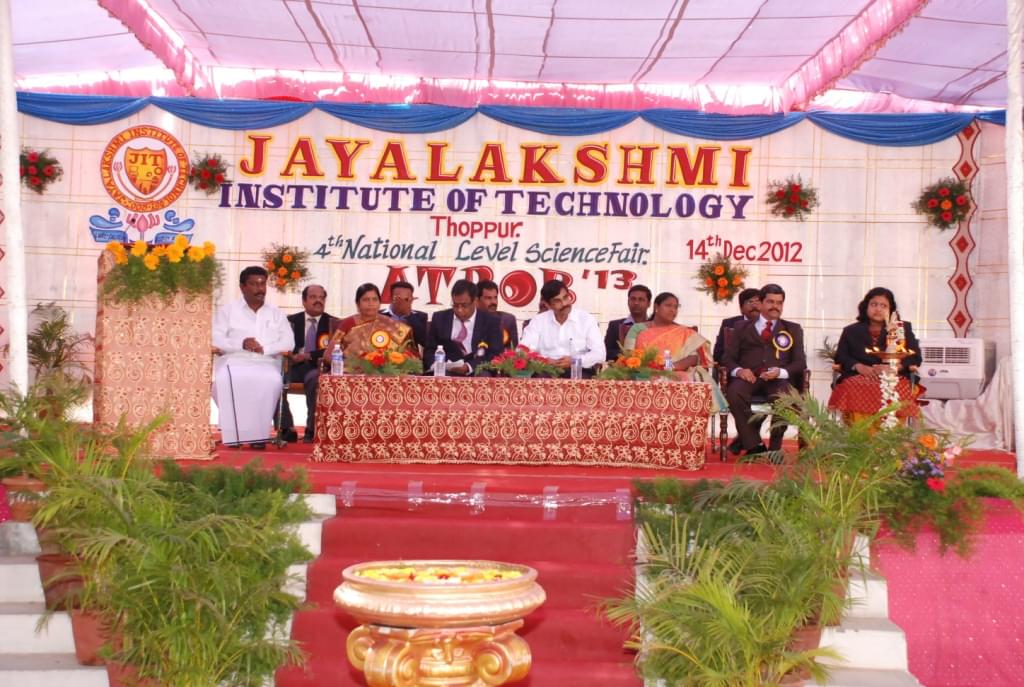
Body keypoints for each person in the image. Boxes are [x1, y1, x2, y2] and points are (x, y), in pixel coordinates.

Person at [212, 266, 293, 448]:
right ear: (242, 287)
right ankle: (236, 434)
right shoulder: (227, 311)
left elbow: (288, 342)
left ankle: (258, 436)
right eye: (254, 284)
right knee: (223, 381)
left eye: (262, 284)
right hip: (234, 361)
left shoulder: (276, 313)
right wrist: (240, 344)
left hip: (265, 363)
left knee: (271, 381)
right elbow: (215, 338)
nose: (260, 288)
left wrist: (265, 348)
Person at [722, 283, 806, 455]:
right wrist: (739, 371)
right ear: (760, 303)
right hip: (749, 377)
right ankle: (755, 446)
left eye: (779, 302)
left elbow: (800, 362)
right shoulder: (741, 327)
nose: (775, 306)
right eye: (770, 302)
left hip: (778, 379)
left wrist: (780, 372)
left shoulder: (793, 329)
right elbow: (727, 358)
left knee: (787, 398)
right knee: (734, 393)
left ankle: (775, 448)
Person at [828, 287, 922, 421]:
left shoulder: (902, 328)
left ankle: (892, 435)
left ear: (891, 310)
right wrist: (858, 366)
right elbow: (841, 356)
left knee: (898, 388)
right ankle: (857, 435)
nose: (878, 309)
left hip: (893, 377)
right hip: (859, 375)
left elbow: (916, 357)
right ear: (866, 307)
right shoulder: (851, 331)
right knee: (851, 386)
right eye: (874, 304)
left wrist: (896, 367)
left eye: (883, 305)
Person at [623, 292, 725, 410]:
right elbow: (629, 354)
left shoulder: (683, 331)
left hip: (676, 372)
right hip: (643, 372)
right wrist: (650, 367)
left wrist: (671, 366)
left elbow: (694, 357)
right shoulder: (638, 329)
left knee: (682, 379)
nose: (673, 310)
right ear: (656, 307)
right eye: (668, 305)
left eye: (675, 307)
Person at [279, 284, 332, 443]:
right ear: (303, 301)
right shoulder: (289, 321)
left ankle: (312, 428)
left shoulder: (333, 323)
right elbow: (280, 343)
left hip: (317, 367)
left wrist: (308, 355)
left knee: (316, 380)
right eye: (313, 297)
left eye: (321, 298)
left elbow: (334, 349)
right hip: (292, 366)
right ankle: (286, 427)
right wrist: (291, 354)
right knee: (273, 380)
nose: (318, 301)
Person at [520, 280, 604, 377]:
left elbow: (600, 354)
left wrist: (574, 360)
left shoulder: (586, 319)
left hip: (577, 370)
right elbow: (522, 351)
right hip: (546, 371)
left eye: (565, 297)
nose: (564, 303)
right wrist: (544, 360)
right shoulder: (538, 321)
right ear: (548, 305)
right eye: (557, 301)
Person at [323, 283, 418, 366]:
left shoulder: (390, 324)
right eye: (366, 300)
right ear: (357, 303)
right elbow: (328, 355)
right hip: (352, 375)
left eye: (374, 299)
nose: (371, 303)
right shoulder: (348, 323)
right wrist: (348, 367)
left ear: (380, 303)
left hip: (386, 374)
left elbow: (411, 356)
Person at [425, 279, 505, 375]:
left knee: (483, 375)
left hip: (476, 369)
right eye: (455, 305)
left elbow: (495, 354)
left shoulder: (490, 321)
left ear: (475, 301)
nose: (459, 310)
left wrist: (469, 366)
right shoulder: (440, 318)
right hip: (446, 369)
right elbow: (429, 350)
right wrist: (436, 365)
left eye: (464, 305)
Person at [712, 288, 761, 364]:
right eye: (750, 302)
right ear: (741, 308)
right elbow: (718, 354)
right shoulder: (729, 324)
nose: (754, 305)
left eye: (758, 301)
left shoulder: (770, 324)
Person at [605, 284, 652, 361]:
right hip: (621, 371)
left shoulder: (654, 326)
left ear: (649, 304)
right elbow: (606, 352)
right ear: (628, 301)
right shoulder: (615, 325)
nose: (636, 303)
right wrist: (628, 354)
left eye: (641, 299)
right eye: (633, 299)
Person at [381, 280, 428, 354]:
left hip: (410, 360)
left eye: (406, 299)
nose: (401, 302)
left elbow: (424, 342)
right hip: (383, 358)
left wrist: (408, 314)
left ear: (412, 300)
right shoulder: (379, 315)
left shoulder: (420, 316)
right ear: (390, 298)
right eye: (398, 298)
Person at [477, 279, 519, 349]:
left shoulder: (508, 320)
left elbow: (512, 351)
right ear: (477, 300)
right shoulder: (470, 320)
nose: (494, 302)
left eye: (495, 297)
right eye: (488, 298)